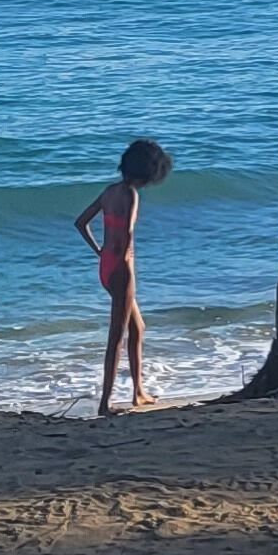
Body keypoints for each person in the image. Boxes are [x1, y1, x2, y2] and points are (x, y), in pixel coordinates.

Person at [74, 137, 171, 414]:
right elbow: (126, 234)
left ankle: (138, 391)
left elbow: (81, 223)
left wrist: (100, 252)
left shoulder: (109, 192)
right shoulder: (130, 195)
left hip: (106, 265)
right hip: (121, 269)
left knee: (137, 328)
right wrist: (124, 261)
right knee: (116, 337)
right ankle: (105, 404)